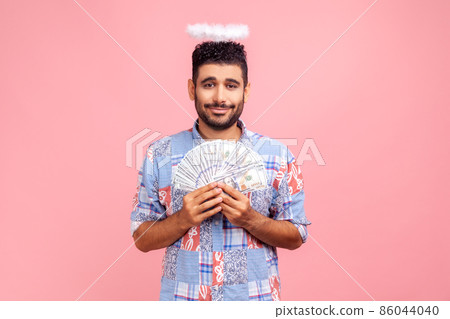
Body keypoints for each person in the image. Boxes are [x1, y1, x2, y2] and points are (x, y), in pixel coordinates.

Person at [130, 41, 311, 301]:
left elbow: (297, 236)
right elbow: (141, 240)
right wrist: (182, 219)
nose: (220, 98)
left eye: (231, 85)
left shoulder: (278, 156)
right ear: (192, 89)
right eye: (209, 84)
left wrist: (251, 218)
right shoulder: (159, 155)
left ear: (246, 91)